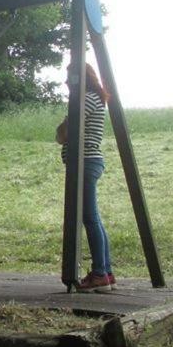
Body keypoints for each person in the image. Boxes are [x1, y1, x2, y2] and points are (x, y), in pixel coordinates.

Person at [55, 62, 115, 293]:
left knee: (90, 218)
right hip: (87, 163)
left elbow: (62, 133)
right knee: (93, 219)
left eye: (70, 77)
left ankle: (100, 273)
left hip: (85, 162)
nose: (67, 81)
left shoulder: (85, 100)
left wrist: (63, 127)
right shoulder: (91, 99)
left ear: (81, 78)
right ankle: (105, 271)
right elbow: (62, 135)